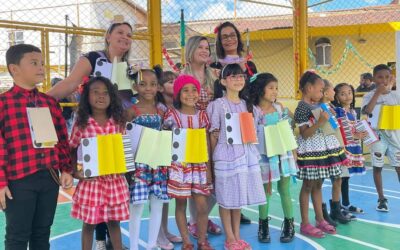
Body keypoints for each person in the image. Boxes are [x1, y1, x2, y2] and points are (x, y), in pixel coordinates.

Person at [0, 43, 73, 250]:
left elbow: (61, 137)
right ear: (14, 69)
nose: (41, 67)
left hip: (49, 177)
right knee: (17, 235)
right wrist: (1, 182)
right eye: (34, 63)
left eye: (42, 63)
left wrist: (66, 168)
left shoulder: (48, 103)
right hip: (18, 181)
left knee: (42, 232)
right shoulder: (3, 104)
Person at [207, 63, 266, 249]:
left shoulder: (248, 106)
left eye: (241, 76)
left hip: (244, 156)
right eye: (232, 76)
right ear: (223, 81)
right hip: (225, 156)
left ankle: (237, 236)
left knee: (237, 197)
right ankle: (229, 238)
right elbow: (213, 135)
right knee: (225, 199)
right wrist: (211, 162)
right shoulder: (217, 105)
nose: (238, 79)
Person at [69, 76, 128, 250]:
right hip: (92, 182)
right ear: (86, 96)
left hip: (114, 181)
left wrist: (125, 167)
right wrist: (74, 171)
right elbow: (71, 147)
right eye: (96, 92)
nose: (101, 96)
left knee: (114, 223)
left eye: (106, 93)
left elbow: (124, 148)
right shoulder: (82, 123)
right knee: (89, 224)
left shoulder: (118, 123)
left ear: (112, 98)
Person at [294, 71, 348, 238]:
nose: (322, 93)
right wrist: (321, 122)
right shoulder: (302, 107)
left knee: (318, 185)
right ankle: (305, 223)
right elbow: (304, 133)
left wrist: (326, 121)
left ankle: (320, 219)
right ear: (309, 88)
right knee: (308, 185)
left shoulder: (318, 105)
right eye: (320, 90)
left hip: (322, 149)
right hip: (311, 151)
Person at [163, 74, 214, 250]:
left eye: (194, 90)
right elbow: (165, 140)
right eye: (185, 90)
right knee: (181, 204)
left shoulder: (203, 116)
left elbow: (206, 142)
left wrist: (208, 168)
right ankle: (186, 241)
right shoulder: (171, 115)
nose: (191, 94)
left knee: (201, 206)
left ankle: (202, 240)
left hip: (199, 166)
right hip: (179, 166)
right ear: (177, 94)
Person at [214, 21, 255, 225]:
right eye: (224, 36)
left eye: (232, 35)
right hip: (223, 120)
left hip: (244, 118)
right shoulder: (214, 66)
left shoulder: (248, 63)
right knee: (224, 173)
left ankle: (238, 207)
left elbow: (254, 90)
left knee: (243, 169)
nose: (229, 39)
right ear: (220, 41)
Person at [248, 73, 296, 243]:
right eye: (271, 88)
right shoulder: (253, 111)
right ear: (260, 89)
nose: (275, 91)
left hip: (282, 155)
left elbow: (287, 131)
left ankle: (290, 224)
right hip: (264, 157)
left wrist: (294, 154)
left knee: (285, 190)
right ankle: (263, 226)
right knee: (265, 193)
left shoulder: (279, 108)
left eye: (276, 88)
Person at [182, 35, 222, 238]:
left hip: (213, 133)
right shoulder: (182, 75)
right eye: (201, 47)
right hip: (192, 133)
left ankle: (203, 216)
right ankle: (194, 221)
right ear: (191, 49)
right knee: (195, 179)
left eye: (207, 47)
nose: (205, 50)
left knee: (216, 177)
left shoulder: (214, 76)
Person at [126, 68, 169, 250]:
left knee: (157, 204)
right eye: (143, 84)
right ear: (135, 86)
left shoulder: (162, 111)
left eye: (152, 84)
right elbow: (125, 139)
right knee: (137, 206)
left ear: (158, 87)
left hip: (158, 164)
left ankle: (152, 245)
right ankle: (134, 246)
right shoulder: (131, 111)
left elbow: (165, 134)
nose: (148, 89)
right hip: (138, 166)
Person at [47, 21, 134, 109]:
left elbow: (134, 99)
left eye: (129, 35)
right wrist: (42, 99)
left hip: (122, 118)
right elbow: (70, 83)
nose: (125, 37)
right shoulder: (93, 58)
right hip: (93, 118)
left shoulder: (130, 69)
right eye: (120, 32)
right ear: (108, 37)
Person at [361, 64, 400, 212]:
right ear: (374, 79)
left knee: (398, 167)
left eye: (387, 77)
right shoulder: (369, 96)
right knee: (378, 167)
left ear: (391, 78)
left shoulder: (396, 95)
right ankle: (381, 198)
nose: (384, 80)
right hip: (377, 137)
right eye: (380, 77)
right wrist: (377, 93)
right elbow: (367, 111)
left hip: (395, 137)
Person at [332, 83, 367, 218]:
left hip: (352, 147)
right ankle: (339, 206)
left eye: (349, 92)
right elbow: (343, 131)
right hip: (344, 148)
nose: (347, 96)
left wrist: (363, 130)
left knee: (346, 178)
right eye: (343, 94)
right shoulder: (340, 112)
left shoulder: (352, 111)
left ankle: (345, 204)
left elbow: (354, 129)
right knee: (341, 178)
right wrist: (355, 136)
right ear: (337, 97)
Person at [320, 80, 351, 225]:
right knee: (319, 182)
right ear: (325, 93)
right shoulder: (321, 108)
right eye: (333, 90)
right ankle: (322, 213)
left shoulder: (331, 107)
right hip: (327, 151)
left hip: (337, 148)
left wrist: (342, 146)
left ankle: (336, 210)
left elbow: (336, 129)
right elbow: (327, 130)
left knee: (338, 179)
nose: (334, 92)